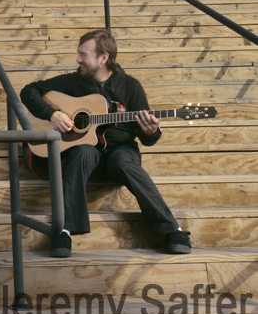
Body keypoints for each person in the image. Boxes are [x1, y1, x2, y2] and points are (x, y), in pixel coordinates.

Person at [20, 29, 191, 258]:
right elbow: (28, 91)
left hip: (120, 156)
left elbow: (147, 138)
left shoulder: (130, 87)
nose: (78, 59)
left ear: (103, 58)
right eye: (78, 54)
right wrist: (51, 114)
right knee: (83, 151)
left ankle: (173, 230)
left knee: (123, 160)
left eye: (83, 55)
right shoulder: (71, 83)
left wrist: (151, 131)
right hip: (87, 158)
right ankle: (64, 230)